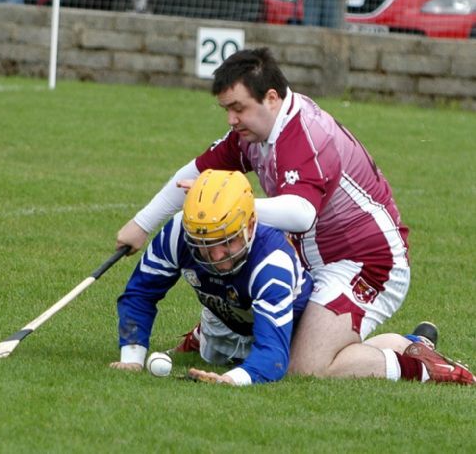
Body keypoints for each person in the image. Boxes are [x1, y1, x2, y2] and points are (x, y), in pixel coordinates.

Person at [115, 48, 474, 385]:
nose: (231, 119)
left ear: (271, 97)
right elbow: (195, 173)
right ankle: (407, 345)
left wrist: (232, 206)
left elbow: (301, 214)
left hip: (366, 262)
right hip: (311, 257)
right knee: (287, 338)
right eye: (226, 109)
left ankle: (426, 369)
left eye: (238, 108)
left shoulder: (307, 134)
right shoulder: (254, 131)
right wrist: (141, 224)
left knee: (307, 366)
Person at [110, 169, 314, 385]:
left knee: (301, 368)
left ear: (250, 225)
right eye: (205, 243)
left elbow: (273, 355)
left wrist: (230, 379)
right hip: (227, 317)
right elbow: (141, 293)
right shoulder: (179, 232)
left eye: (228, 241)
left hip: (288, 329)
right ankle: (201, 338)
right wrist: (131, 359)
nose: (216, 256)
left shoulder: (272, 262)